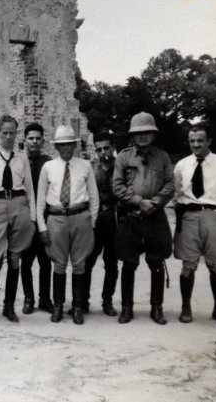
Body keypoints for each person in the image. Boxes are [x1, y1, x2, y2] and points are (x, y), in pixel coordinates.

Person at [112, 112, 174, 325]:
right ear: (132, 135)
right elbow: (117, 186)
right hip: (131, 217)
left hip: (155, 218)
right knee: (128, 264)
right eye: (138, 133)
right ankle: (127, 308)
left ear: (153, 134)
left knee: (156, 262)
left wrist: (155, 202)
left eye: (147, 132)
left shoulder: (163, 157)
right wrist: (139, 201)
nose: (143, 136)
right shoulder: (124, 157)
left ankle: (157, 308)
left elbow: (169, 185)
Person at [174, 123, 216, 324]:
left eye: (200, 140)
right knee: (188, 265)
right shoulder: (182, 165)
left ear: (209, 141)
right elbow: (176, 194)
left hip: (214, 215)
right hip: (190, 216)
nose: (196, 144)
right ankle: (186, 308)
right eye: (192, 141)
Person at [36, 125, 99, 325]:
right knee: (59, 264)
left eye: (68, 144)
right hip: (56, 218)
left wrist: (91, 221)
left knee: (79, 264)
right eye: (61, 145)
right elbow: (39, 201)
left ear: (74, 145)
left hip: (80, 216)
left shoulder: (85, 166)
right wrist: (42, 227)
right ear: (56, 147)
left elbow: (94, 197)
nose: (65, 148)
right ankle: (58, 306)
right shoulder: (48, 167)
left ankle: (78, 307)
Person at [0, 115, 37, 323]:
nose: (9, 137)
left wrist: (33, 217)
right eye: (5, 133)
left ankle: (9, 306)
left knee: (14, 258)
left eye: (12, 133)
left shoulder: (22, 158)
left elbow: (29, 189)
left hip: (19, 205)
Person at [81, 129, 120, 317]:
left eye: (107, 148)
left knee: (111, 263)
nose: (104, 152)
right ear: (95, 151)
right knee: (88, 261)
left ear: (112, 148)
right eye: (99, 149)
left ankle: (107, 301)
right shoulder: (90, 169)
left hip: (114, 219)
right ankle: (83, 302)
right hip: (95, 219)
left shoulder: (121, 168)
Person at [19, 122, 54, 314]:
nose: (34, 141)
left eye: (37, 138)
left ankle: (45, 299)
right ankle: (28, 298)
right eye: (31, 138)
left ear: (42, 141)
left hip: (44, 219)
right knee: (26, 261)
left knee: (45, 260)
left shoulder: (48, 163)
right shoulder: (18, 161)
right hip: (25, 219)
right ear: (25, 140)